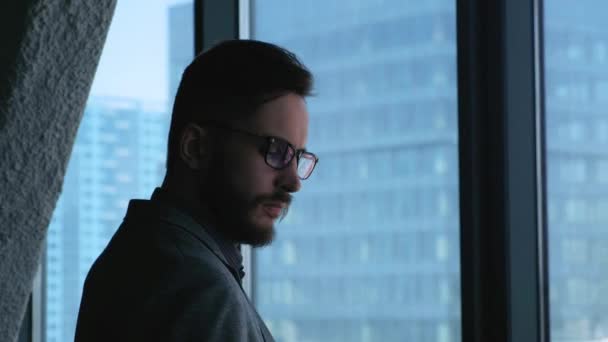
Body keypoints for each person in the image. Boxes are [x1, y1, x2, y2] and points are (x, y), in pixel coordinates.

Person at [74, 39, 318, 342]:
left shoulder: (139, 255)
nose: (293, 180)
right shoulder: (198, 287)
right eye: (275, 149)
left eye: (297, 156)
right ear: (196, 147)